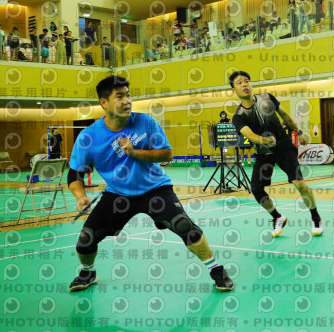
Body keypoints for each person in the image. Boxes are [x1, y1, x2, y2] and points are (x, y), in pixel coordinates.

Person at [67, 76, 234, 292]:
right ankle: (87, 272)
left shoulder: (145, 122)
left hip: (155, 188)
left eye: (128, 95)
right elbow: (74, 174)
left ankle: (216, 269)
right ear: (104, 103)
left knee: (183, 225)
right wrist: (80, 197)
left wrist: (134, 152)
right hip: (118, 194)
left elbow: (167, 154)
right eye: (120, 96)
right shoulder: (88, 137)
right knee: (85, 239)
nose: (127, 101)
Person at [229, 70, 323, 237]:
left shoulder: (267, 98)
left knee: (299, 184)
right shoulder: (238, 117)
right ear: (233, 90)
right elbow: (250, 135)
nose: (244, 85)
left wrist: (298, 133)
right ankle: (277, 217)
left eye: (246, 81)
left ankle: (316, 217)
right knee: (256, 189)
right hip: (264, 152)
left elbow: (285, 116)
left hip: (284, 146)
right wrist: (265, 141)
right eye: (239, 83)